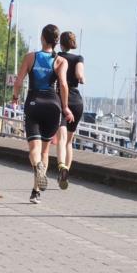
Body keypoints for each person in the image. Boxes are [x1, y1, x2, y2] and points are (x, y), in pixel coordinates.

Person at [12, 24, 74, 204]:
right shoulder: (61, 61)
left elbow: (18, 81)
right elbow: (63, 84)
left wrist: (15, 97)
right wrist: (65, 107)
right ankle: (36, 191)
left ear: (42, 38)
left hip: (34, 103)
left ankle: (37, 168)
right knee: (46, 150)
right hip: (53, 106)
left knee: (34, 149)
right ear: (56, 41)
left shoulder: (31, 57)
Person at [56, 31, 85, 190]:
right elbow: (79, 74)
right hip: (76, 101)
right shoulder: (78, 58)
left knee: (60, 137)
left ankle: (61, 167)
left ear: (60, 43)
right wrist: (83, 78)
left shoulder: (56, 57)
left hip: (60, 99)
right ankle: (67, 170)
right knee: (69, 141)